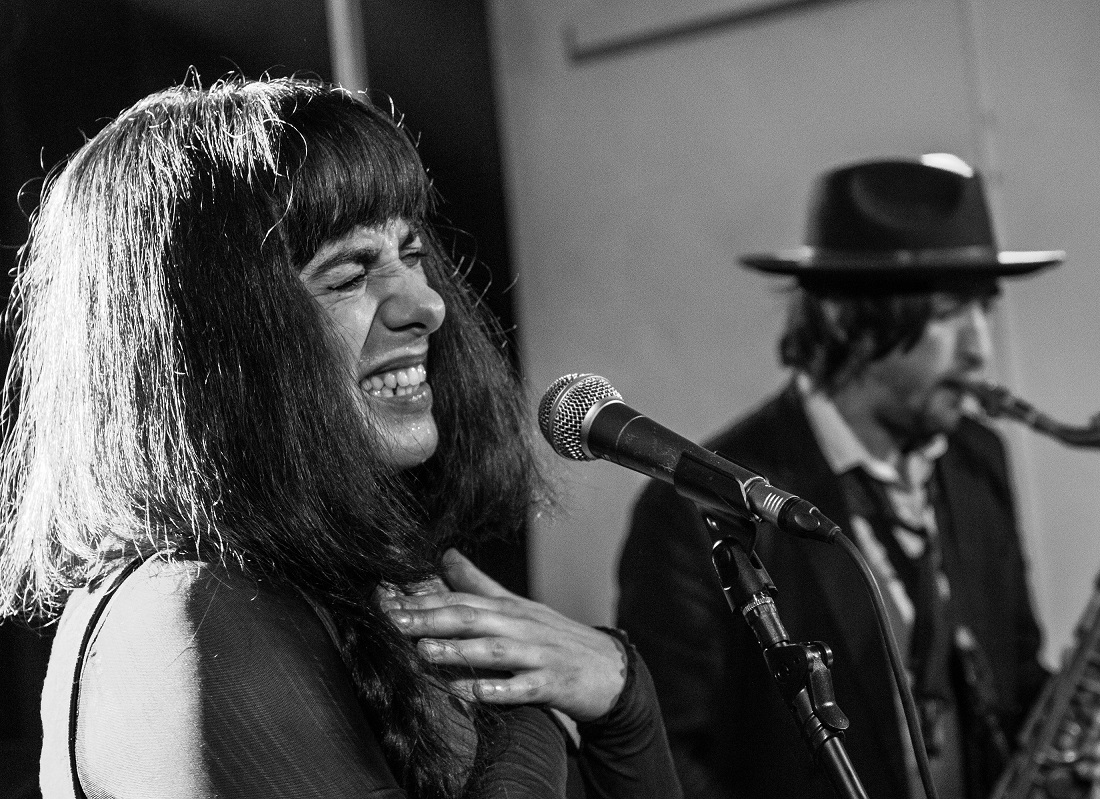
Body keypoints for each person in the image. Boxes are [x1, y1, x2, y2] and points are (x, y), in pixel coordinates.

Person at [0, 77, 681, 799]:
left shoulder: (346, 589)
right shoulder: (191, 619)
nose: (427, 304)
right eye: (349, 275)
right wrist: (523, 712)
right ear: (213, 348)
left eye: (411, 253)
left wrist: (621, 698)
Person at [617, 154, 1100, 799]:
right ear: (849, 320)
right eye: (949, 312)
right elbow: (669, 763)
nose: (981, 349)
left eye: (984, 310)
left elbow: (1009, 675)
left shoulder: (978, 457)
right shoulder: (693, 508)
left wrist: (1086, 728)